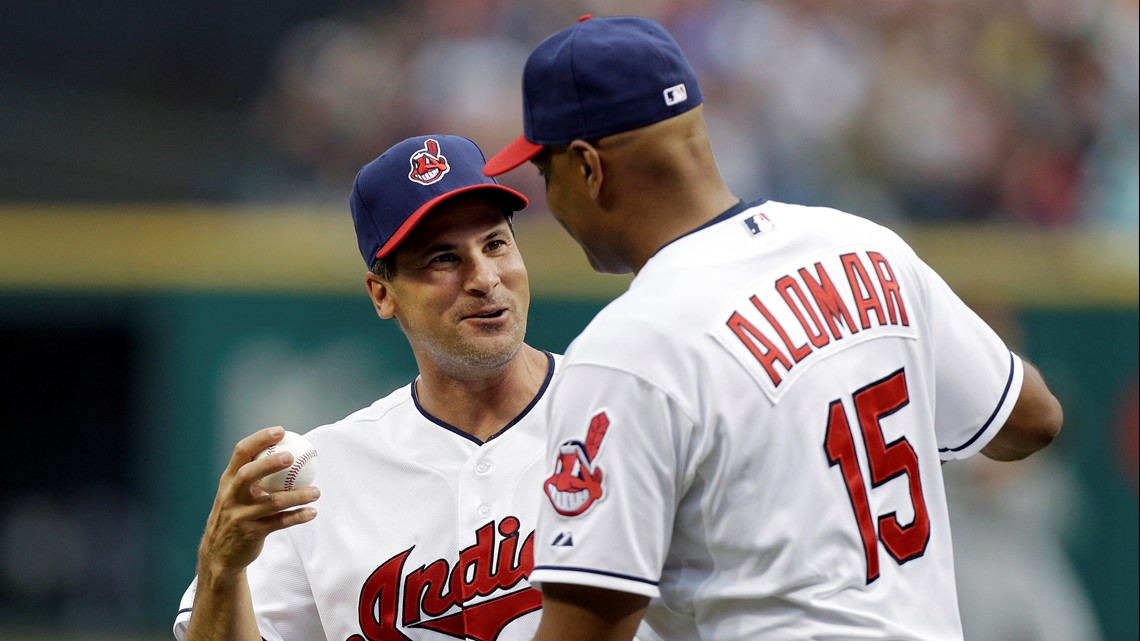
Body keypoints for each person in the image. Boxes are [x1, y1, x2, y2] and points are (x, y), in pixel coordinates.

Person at [482, 15, 1065, 641]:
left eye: (547, 173)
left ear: (589, 168)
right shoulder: (864, 246)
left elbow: (585, 631)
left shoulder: (626, 349)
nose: (549, 194)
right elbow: (1032, 419)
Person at [174, 134, 561, 640]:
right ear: (383, 294)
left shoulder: (621, 414)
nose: (484, 277)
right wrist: (220, 567)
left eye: (495, 243)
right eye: (443, 258)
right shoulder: (322, 479)